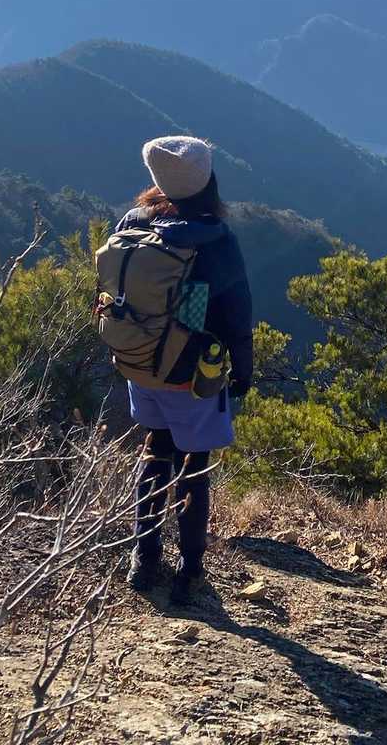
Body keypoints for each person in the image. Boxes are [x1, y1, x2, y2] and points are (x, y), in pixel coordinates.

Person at [115, 135, 253, 606]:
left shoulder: (134, 222)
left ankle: (144, 556)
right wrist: (243, 370)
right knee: (194, 468)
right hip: (190, 374)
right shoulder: (216, 239)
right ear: (208, 180)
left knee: (154, 453)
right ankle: (190, 570)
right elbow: (237, 313)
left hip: (141, 364)